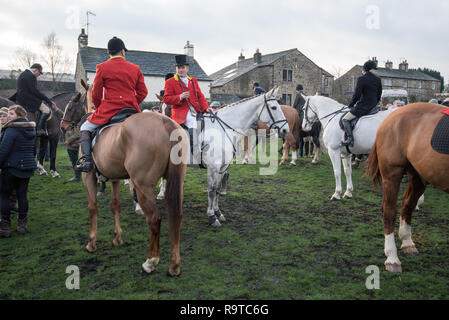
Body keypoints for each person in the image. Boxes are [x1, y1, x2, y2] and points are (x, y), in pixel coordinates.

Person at [76, 36, 148, 172]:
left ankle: (86, 161)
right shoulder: (135, 68)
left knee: (85, 127)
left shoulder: (102, 68)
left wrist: (98, 106)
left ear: (109, 53)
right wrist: (132, 102)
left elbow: (96, 94)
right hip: (131, 109)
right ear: (122, 51)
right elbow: (143, 92)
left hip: (109, 110)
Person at [0, 105, 37, 237]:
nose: (8, 116)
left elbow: (3, 151)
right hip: (27, 168)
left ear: (19, 116)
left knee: (4, 195)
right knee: (22, 196)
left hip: (11, 167)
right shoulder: (31, 129)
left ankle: (5, 228)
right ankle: (22, 225)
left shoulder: (11, 130)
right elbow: (33, 150)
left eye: (11, 114)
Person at [163, 54, 212, 133]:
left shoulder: (193, 80)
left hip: (196, 111)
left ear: (187, 68)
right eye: (179, 68)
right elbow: (166, 99)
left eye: (183, 68)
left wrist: (206, 107)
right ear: (176, 69)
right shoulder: (170, 82)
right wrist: (180, 97)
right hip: (181, 113)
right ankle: (194, 145)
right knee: (193, 124)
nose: (181, 70)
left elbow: (200, 96)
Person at [9, 63, 59, 136]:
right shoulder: (31, 76)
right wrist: (47, 99)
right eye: (39, 73)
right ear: (35, 70)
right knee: (47, 110)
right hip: (28, 100)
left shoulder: (22, 74)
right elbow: (34, 91)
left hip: (19, 98)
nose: (39, 75)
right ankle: (39, 129)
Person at [341, 60, 382, 147]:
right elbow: (379, 95)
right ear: (372, 69)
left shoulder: (362, 79)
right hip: (374, 107)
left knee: (345, 119)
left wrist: (351, 105)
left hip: (363, 107)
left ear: (364, 70)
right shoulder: (378, 79)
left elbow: (357, 95)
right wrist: (374, 104)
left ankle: (350, 139)